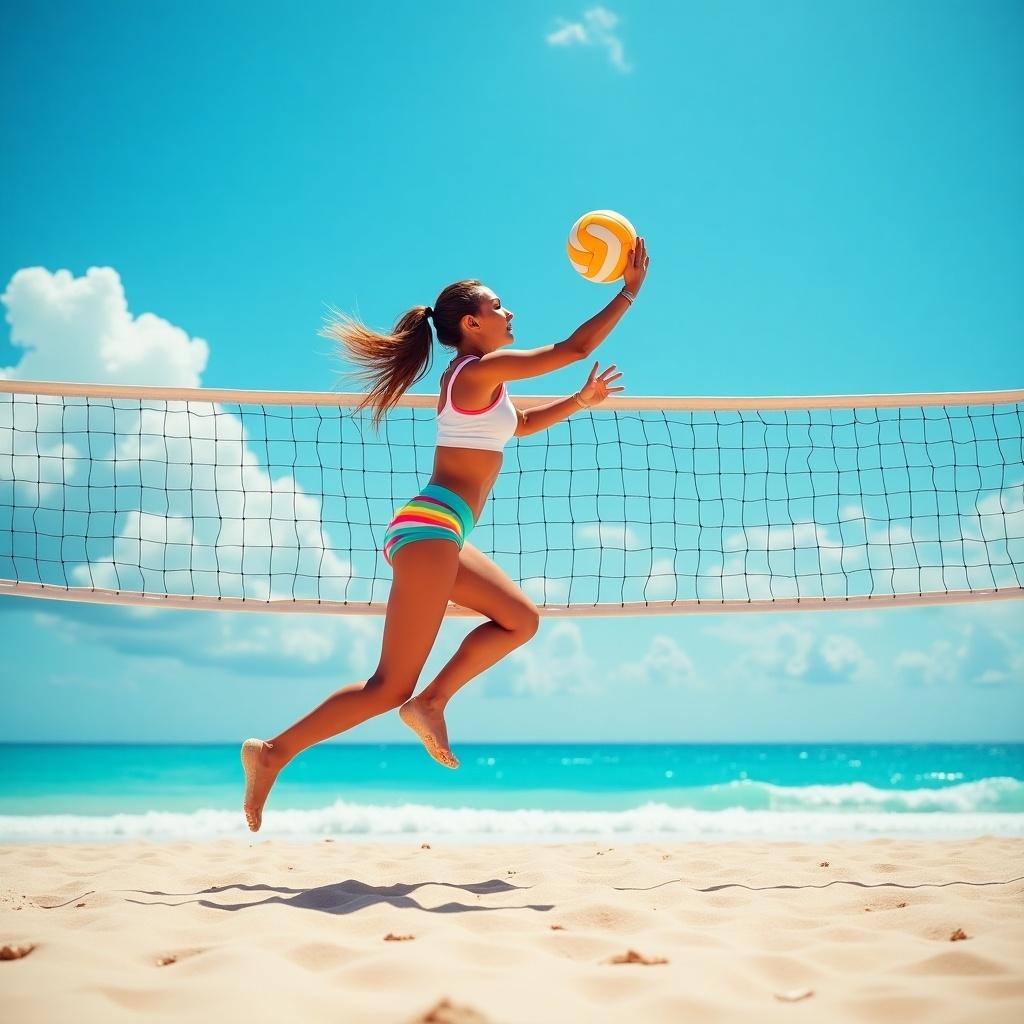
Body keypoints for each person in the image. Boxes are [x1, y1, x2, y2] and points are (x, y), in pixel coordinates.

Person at [241, 239, 650, 831]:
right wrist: (628, 292)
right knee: (386, 686)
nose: (510, 313)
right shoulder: (478, 370)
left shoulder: (484, 382)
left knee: (521, 620)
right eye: (500, 306)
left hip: (442, 531)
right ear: (471, 323)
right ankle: (273, 753)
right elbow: (575, 347)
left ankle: (431, 702)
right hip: (431, 530)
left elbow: (523, 425)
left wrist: (580, 401)